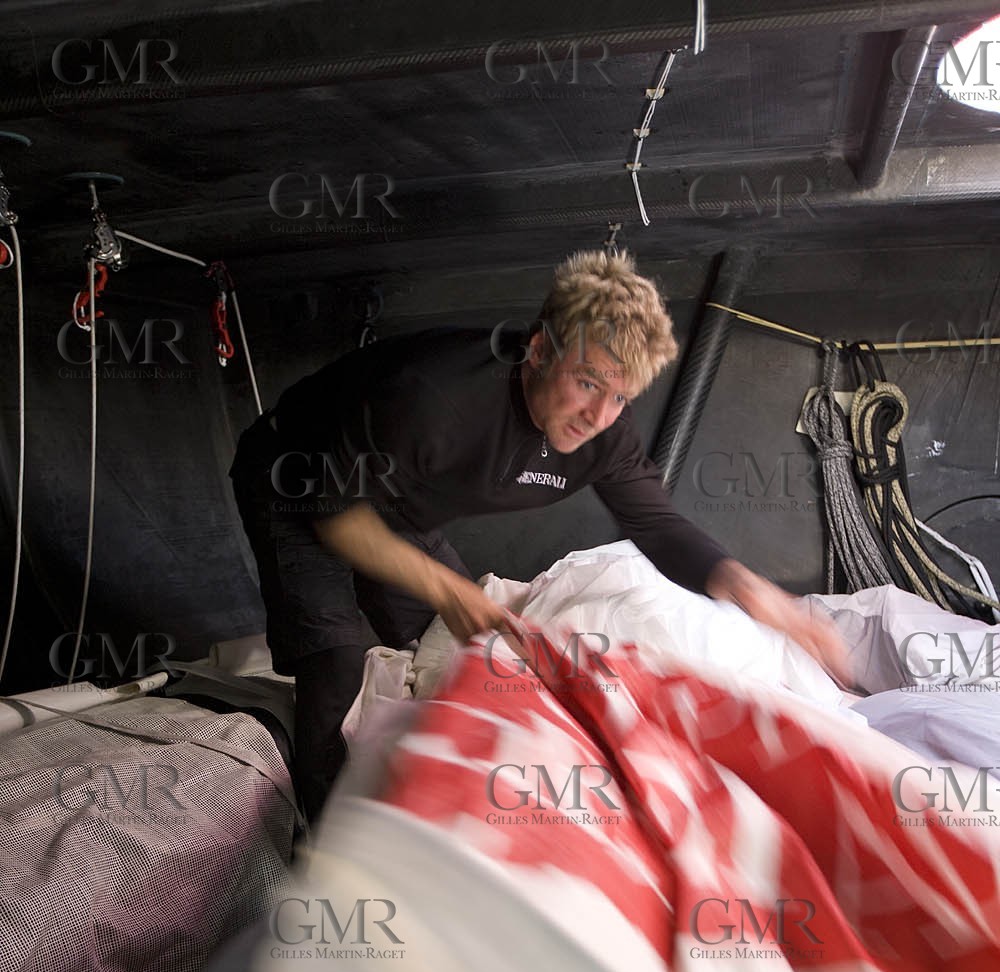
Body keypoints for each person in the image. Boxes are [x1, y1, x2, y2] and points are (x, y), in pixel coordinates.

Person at [229, 250, 848, 822]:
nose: (598, 417)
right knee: (335, 659)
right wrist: (450, 589)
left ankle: (431, 789)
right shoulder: (435, 399)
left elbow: (657, 525)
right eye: (587, 382)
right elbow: (339, 518)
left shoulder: (607, 431)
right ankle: (319, 828)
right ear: (539, 351)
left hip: (396, 499)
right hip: (298, 480)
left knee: (447, 644)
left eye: (621, 396)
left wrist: (755, 592)